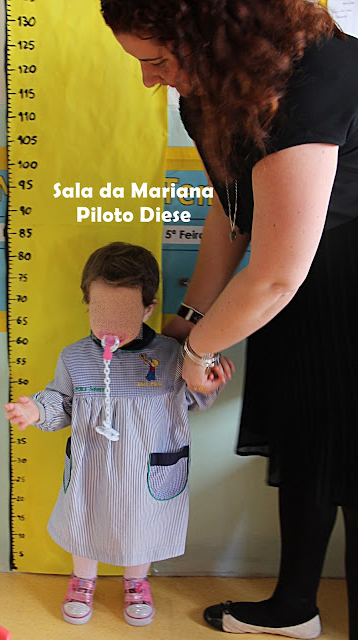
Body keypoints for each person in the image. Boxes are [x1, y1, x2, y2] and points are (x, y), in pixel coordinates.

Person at [100, 1, 358, 639]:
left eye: (157, 60)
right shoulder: (209, 91)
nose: (148, 79)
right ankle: (295, 607)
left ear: (213, 35)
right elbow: (235, 208)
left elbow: (272, 277)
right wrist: (191, 320)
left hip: (325, 279)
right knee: (307, 444)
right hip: (299, 286)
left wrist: (197, 354)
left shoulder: (318, 77)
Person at [4, 242, 233, 627]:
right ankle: (82, 580)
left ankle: (136, 582)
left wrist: (207, 386)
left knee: (141, 522)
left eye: (122, 311)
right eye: (100, 310)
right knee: (84, 519)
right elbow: (61, 402)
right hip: (92, 465)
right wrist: (35, 410)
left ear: (147, 309)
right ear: (87, 305)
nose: (110, 322)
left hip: (148, 468)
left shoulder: (172, 355)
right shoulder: (75, 357)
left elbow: (191, 401)